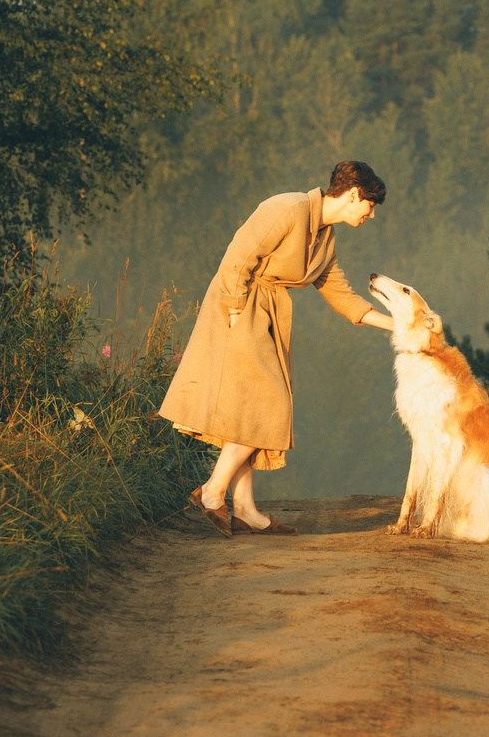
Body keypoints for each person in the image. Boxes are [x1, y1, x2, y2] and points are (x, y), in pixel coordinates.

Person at [158, 160, 392, 535]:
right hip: (240, 306)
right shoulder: (288, 208)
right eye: (370, 205)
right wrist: (234, 309)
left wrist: (398, 326)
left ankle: (246, 508)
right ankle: (212, 492)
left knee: (247, 411)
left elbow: (341, 296)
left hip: (267, 314)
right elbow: (238, 256)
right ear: (353, 195)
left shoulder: (324, 239)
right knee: (268, 403)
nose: (371, 214)